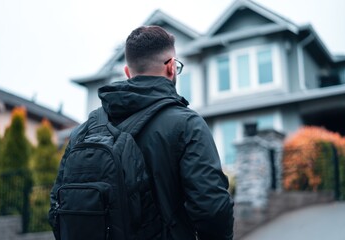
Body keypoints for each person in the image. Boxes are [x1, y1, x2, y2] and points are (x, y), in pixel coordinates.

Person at [49, 25, 234, 240]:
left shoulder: (85, 130)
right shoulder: (187, 125)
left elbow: (57, 208)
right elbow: (212, 209)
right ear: (172, 67)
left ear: (128, 73)